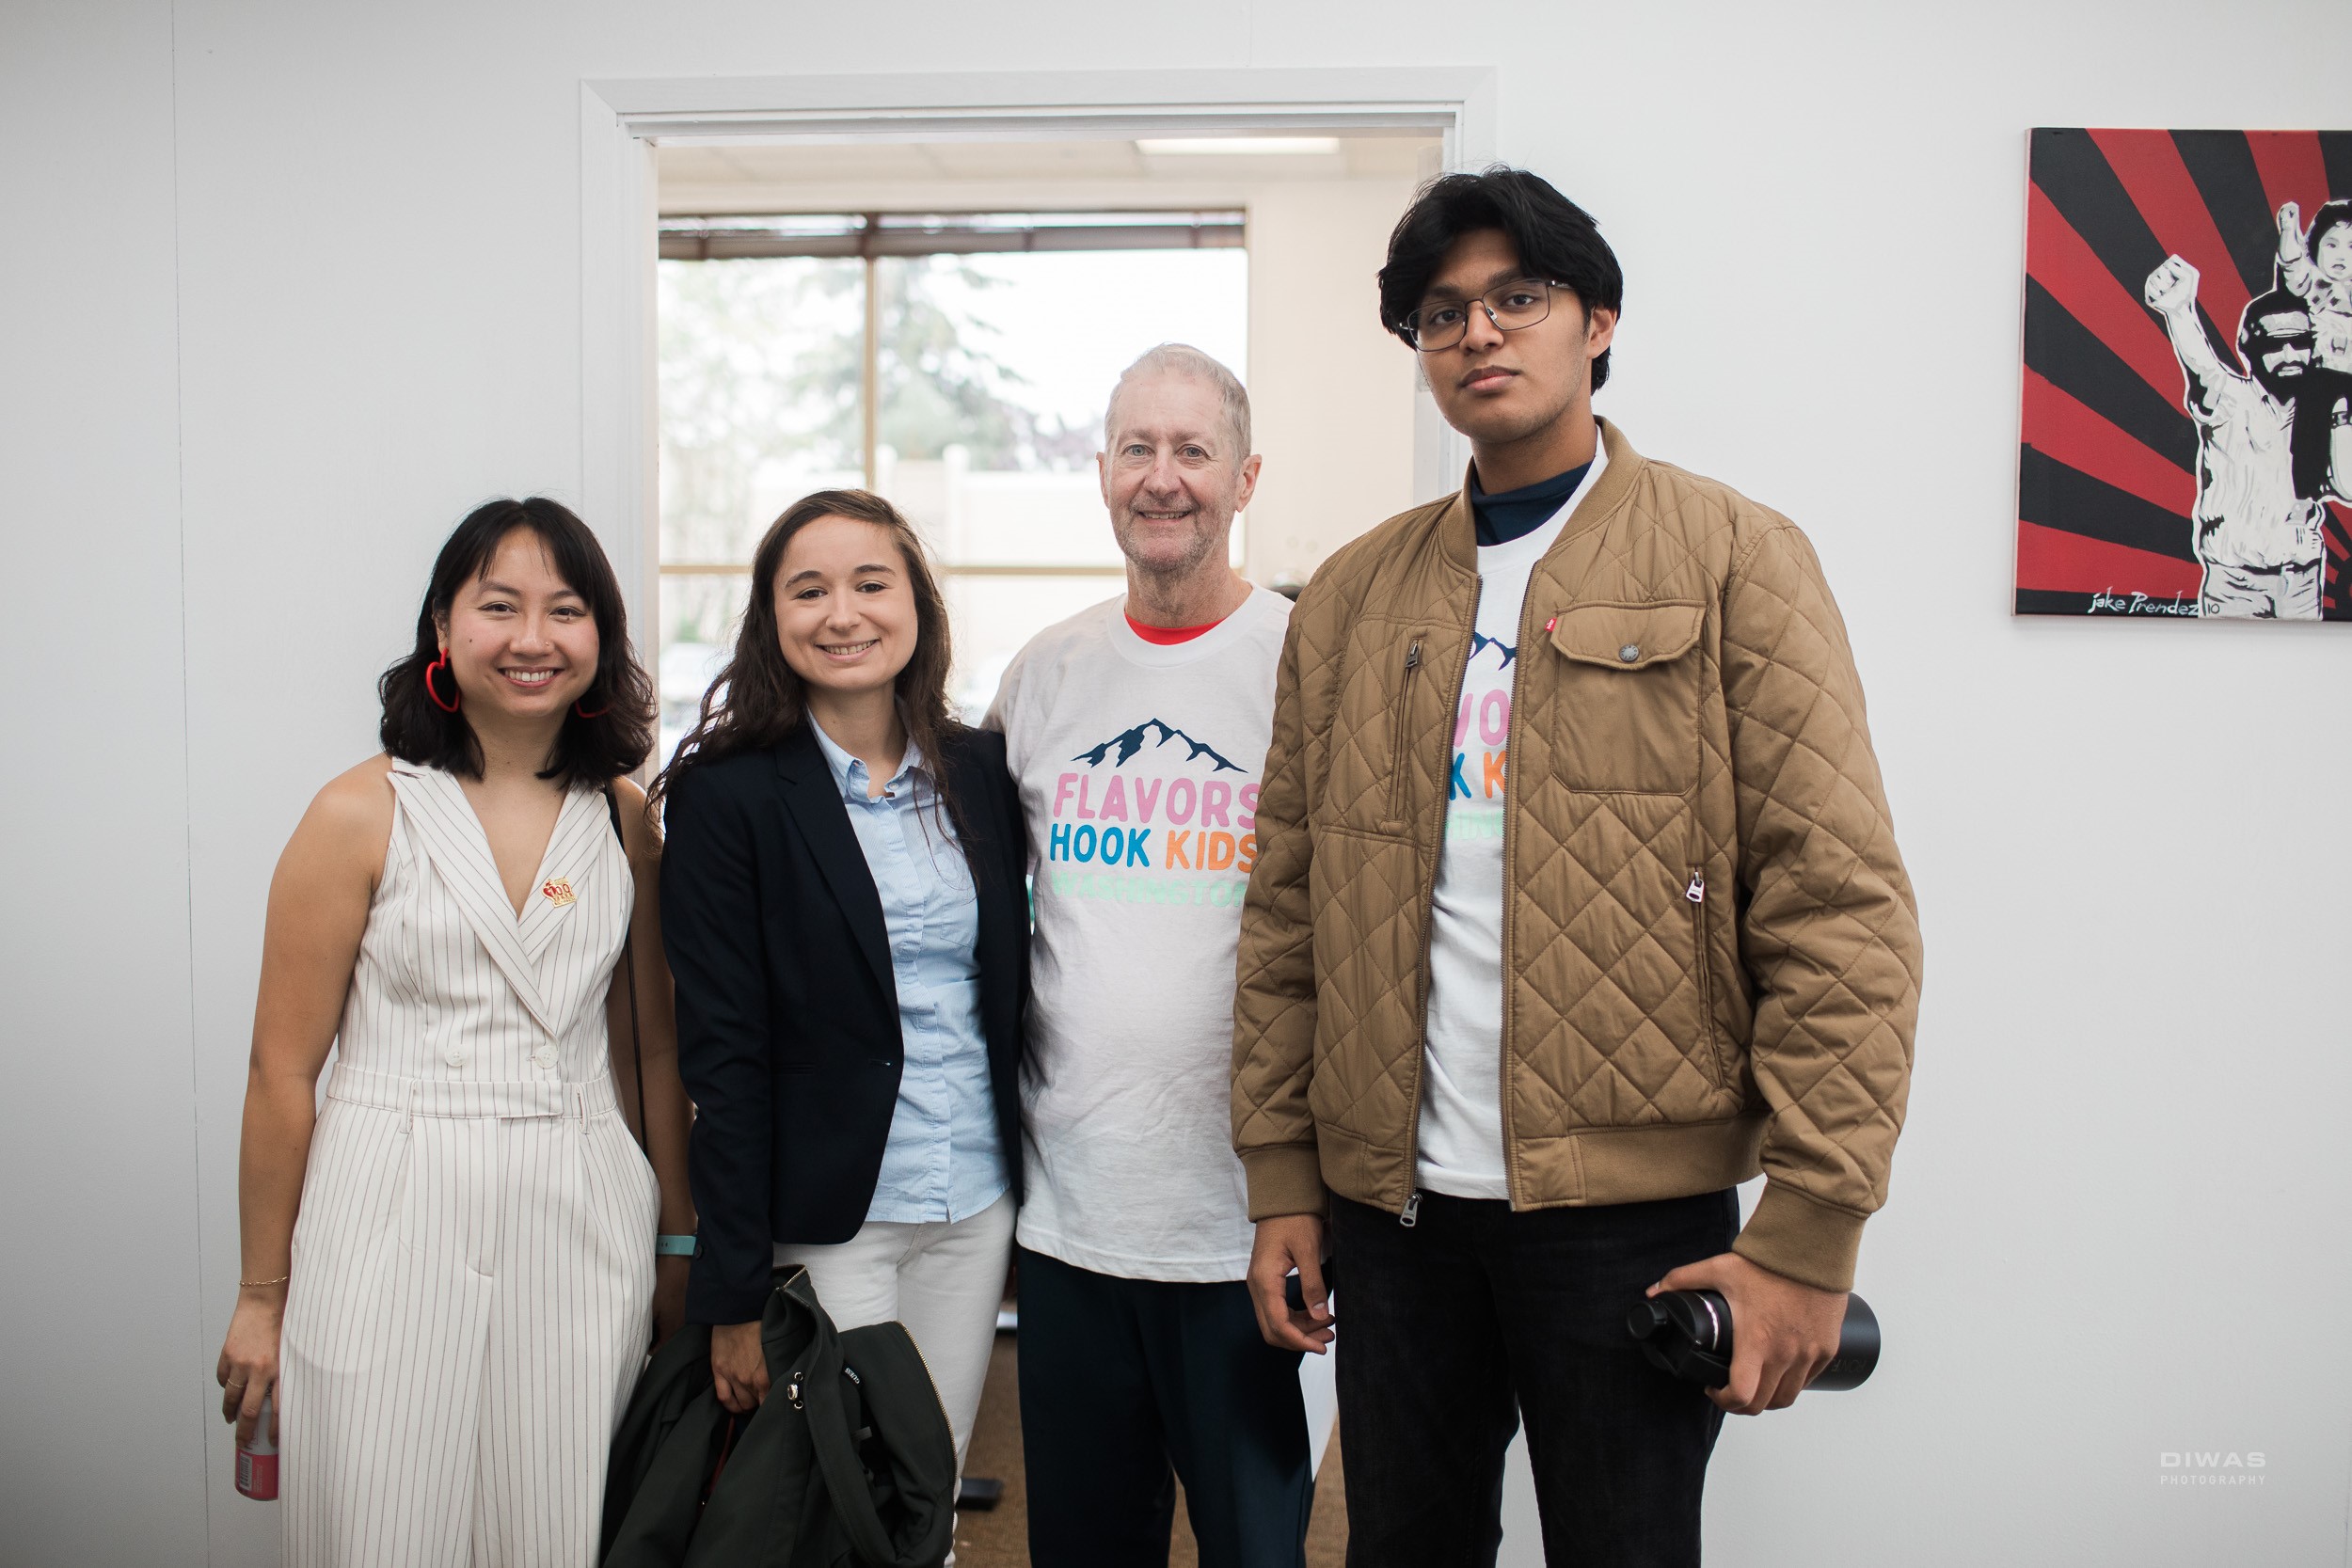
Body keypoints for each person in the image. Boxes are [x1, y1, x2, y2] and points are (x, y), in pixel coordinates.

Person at [1231, 167, 1925, 1565]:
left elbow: (1838, 903)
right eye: (1442, 312)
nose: (1480, 332)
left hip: (1631, 1218)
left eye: (1518, 297)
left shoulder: (1734, 557)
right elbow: (1290, 905)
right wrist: (1284, 1176)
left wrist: (1811, 1226)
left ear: (1597, 321)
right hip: (1397, 1210)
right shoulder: (1356, 595)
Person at [213, 497, 697, 1566]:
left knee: (561, 1522)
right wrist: (260, 1294)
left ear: (602, 640)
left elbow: (652, 1049)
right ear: (442, 627)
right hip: (388, 1199)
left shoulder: (625, 816)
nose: (533, 638)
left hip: (580, 1205)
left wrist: (678, 1244)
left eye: (565, 610)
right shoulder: (360, 810)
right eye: (499, 606)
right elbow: (281, 1071)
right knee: (381, 1523)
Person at [984, 346, 1312, 1568]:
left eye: (1192, 451)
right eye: (1137, 448)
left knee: (1259, 1547)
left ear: (1244, 476)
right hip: (1071, 1221)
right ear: (1103, 473)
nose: (1162, 478)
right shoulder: (1046, 675)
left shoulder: (1305, 663)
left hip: (1248, 1227)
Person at [655, 489, 1026, 1518]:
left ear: (916, 602)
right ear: (771, 618)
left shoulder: (980, 772)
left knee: (928, 1487)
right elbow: (720, 1060)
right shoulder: (728, 797)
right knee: (832, 1506)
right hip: (830, 1219)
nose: (843, 612)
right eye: (807, 589)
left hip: (974, 1195)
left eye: (872, 582)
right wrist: (728, 1291)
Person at [2144, 256, 2331, 617]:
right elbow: (2203, 368)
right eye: (2276, 344)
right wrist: (2179, 310)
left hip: (2304, 580)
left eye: (2300, 342)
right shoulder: (2231, 400)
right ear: (2249, 349)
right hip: (2237, 586)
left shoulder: (2325, 409)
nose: (2290, 354)